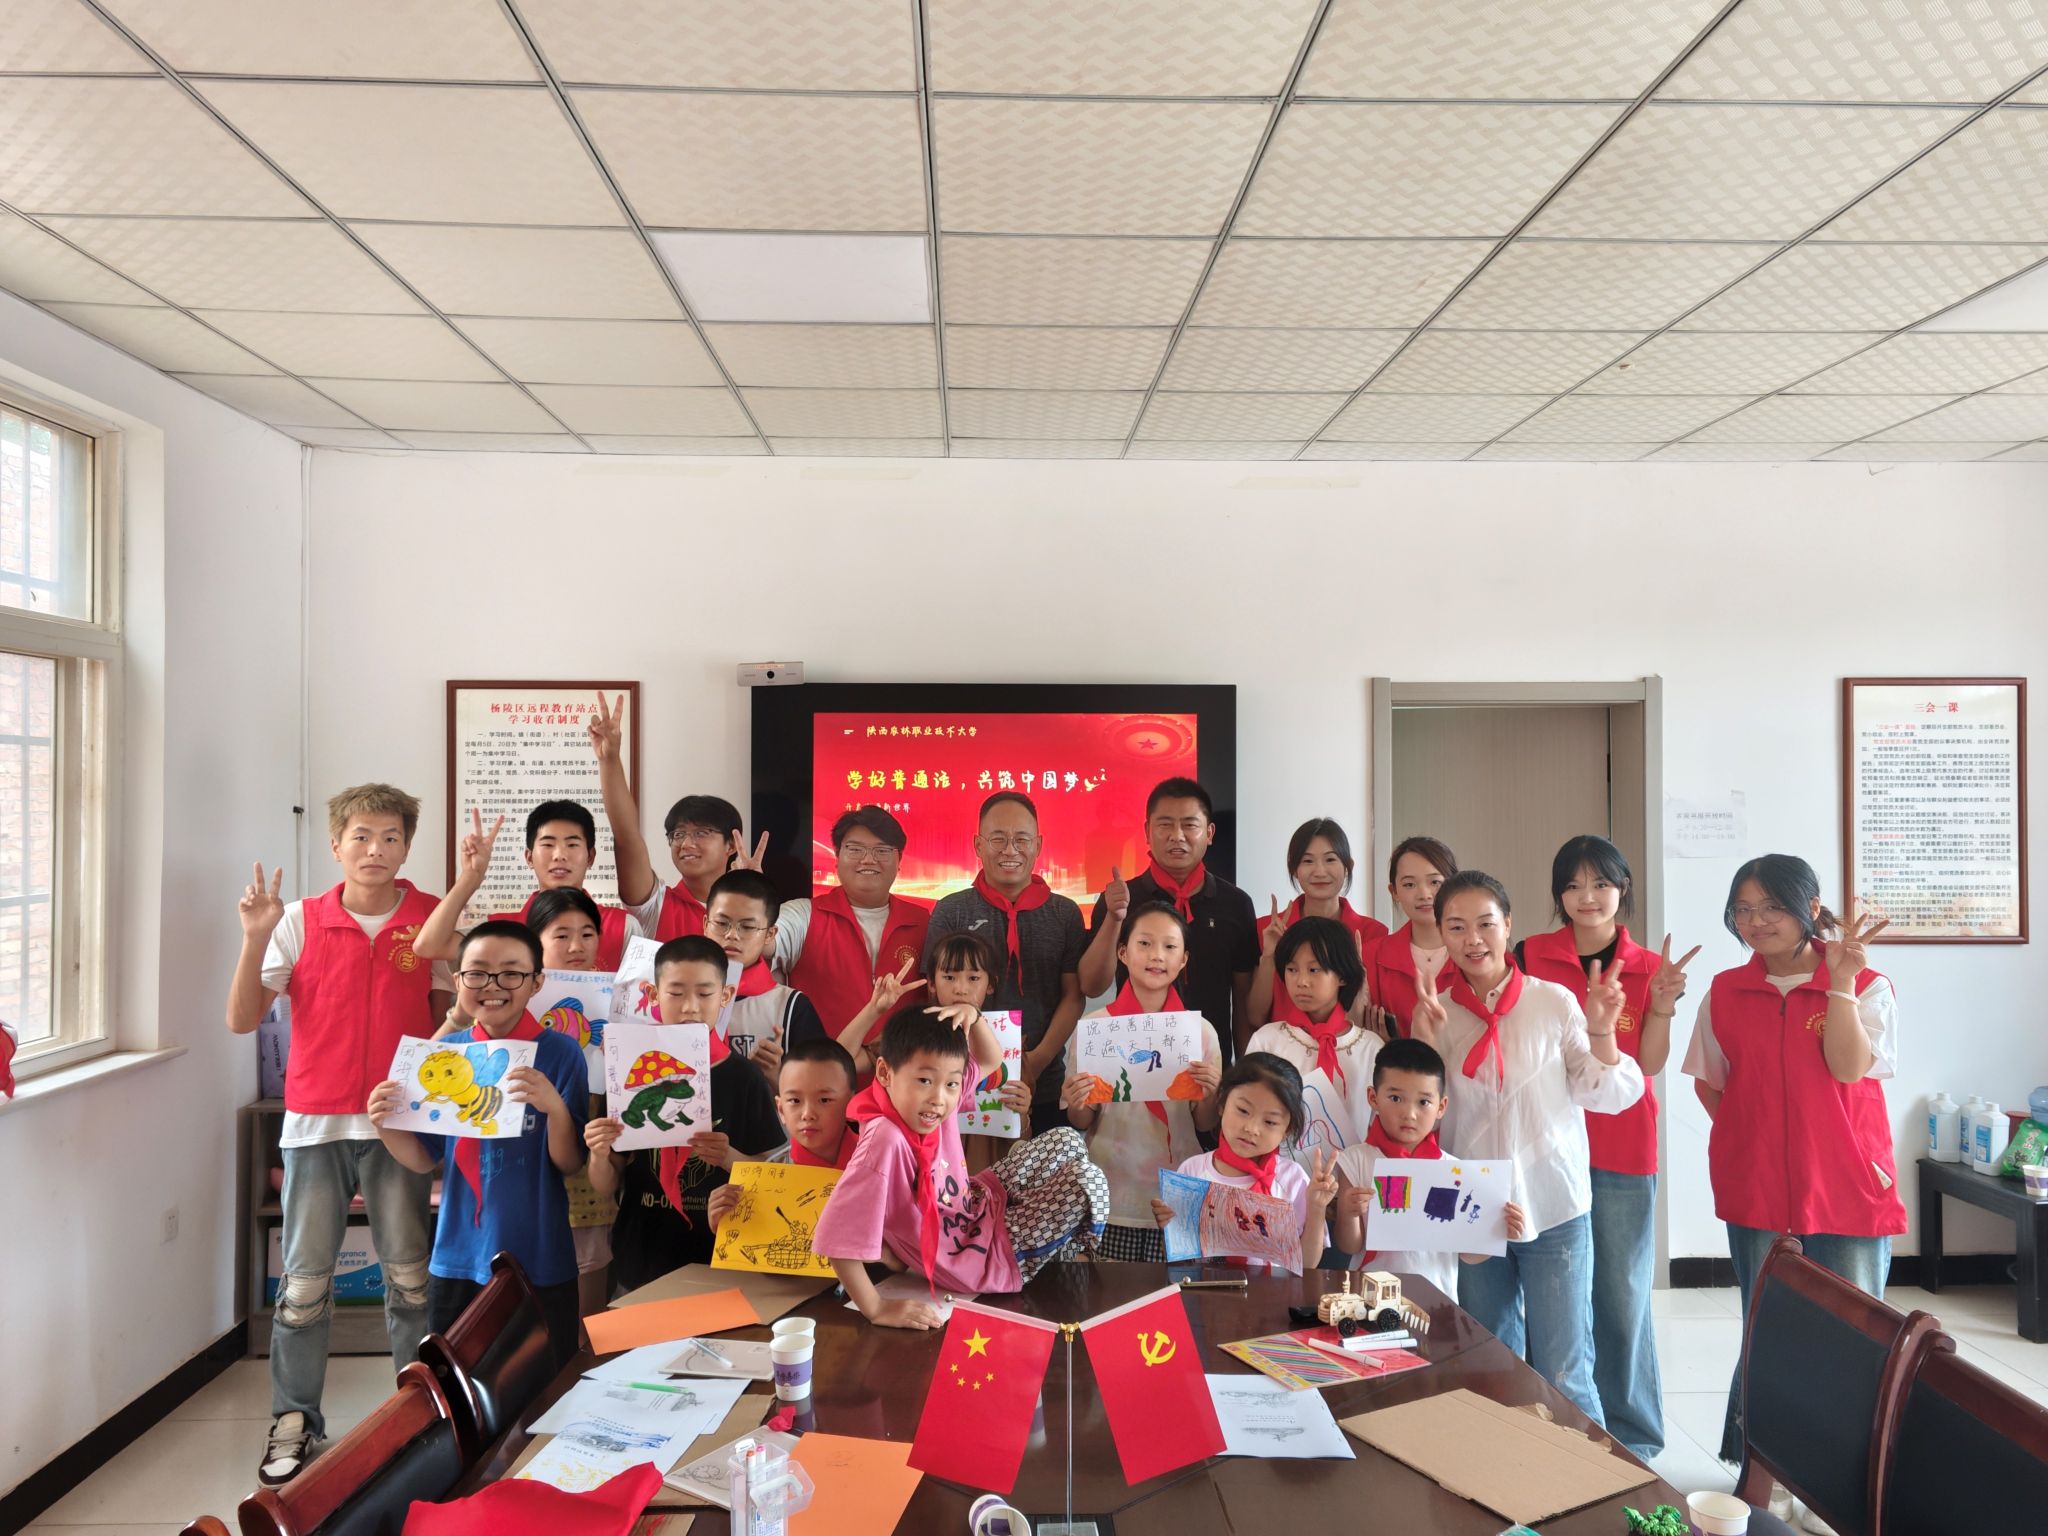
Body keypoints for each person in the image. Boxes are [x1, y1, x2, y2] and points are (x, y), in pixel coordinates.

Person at [225, 784, 450, 1487]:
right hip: (315, 1126)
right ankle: (295, 1418)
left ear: (407, 847)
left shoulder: (431, 919)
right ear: (336, 845)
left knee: (411, 1280)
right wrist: (255, 936)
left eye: (390, 837)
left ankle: (419, 1414)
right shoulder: (298, 920)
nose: (375, 849)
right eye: (361, 836)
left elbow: (449, 1021)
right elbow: (241, 1018)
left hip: (399, 1126)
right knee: (302, 1285)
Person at [1682, 854, 1900, 1467]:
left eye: (1773, 907)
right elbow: (1711, 1083)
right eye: (1743, 910)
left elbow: (1848, 1069)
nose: (1756, 921)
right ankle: (1766, 1472)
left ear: (1811, 907)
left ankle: (1844, 1477)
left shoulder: (1868, 983)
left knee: (1854, 1335)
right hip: (1757, 1189)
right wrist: (1751, 1142)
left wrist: (1839, 985)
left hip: (1847, 1185)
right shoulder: (1726, 991)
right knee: (1769, 1330)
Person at [1410, 869, 1643, 1425]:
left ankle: (1589, 1473)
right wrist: (1421, 1042)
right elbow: (1416, 1123)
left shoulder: (1553, 1002)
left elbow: (1607, 1094)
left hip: (1552, 1201)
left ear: (1508, 925)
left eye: (1485, 924)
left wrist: (1603, 1031)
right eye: (1456, 927)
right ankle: (1506, 1469)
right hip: (1471, 1209)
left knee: (1565, 1368)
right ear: (1441, 934)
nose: (1473, 940)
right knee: (1489, 1357)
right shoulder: (1438, 1014)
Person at [1515, 834, 1697, 1462]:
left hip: (1620, 1149)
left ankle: (1634, 1437)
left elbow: (1649, 1065)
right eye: (1572, 885)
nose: (1586, 897)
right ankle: (1552, 1423)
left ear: (1623, 889)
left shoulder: (1648, 968)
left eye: (1600, 884)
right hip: (1543, 1147)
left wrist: (1662, 1007)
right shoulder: (1529, 955)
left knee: (1620, 1294)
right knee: (1551, 1298)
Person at [367, 921, 588, 1368]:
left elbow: (569, 1162)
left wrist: (554, 1109)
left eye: (511, 973)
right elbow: (423, 1160)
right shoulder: (444, 1055)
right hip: (458, 1255)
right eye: (478, 972)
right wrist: (385, 1125)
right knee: (459, 1383)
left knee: (547, 1380)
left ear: (536, 982)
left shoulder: (563, 1053)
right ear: (458, 980)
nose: (493, 985)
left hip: (540, 1253)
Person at [813, 1001, 1109, 1326]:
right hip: (978, 1259)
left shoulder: (934, 1104)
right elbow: (835, 1237)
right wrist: (876, 1308)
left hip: (978, 1204)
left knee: (1067, 1140)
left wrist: (975, 1016)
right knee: (1088, 1180)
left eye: (951, 1084)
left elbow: (991, 1060)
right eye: (924, 1080)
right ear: (884, 1073)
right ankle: (1061, 1249)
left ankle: (1053, 1237)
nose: (938, 1098)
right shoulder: (884, 1138)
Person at [584, 936, 785, 1291]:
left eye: (705, 994)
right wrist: (598, 1153)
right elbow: (607, 1182)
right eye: (676, 993)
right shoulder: (627, 1067)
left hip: (722, 1263)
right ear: (653, 995)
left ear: (725, 996)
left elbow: (772, 1175)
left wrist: (729, 1157)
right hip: (641, 1258)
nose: (690, 1007)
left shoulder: (744, 1077)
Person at [1062, 901, 1221, 1261]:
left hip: (1176, 1194)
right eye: (1144, 943)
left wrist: (1211, 1093)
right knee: (1109, 1292)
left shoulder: (1201, 1033)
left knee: (1174, 1292)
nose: (1156, 955)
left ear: (1183, 959)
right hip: (1110, 1190)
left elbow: (1204, 1124)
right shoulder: (1094, 1028)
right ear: (1123, 952)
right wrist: (1075, 1101)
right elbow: (1081, 1120)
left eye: (1170, 946)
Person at [924, 791, 1087, 1136]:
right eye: (998, 839)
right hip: (962, 1083)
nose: (1010, 850)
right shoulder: (951, 911)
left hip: (1045, 1083)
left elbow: (1073, 996)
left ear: (1038, 845)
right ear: (978, 845)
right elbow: (934, 994)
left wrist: (1036, 1062)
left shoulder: (1065, 913)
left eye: (1021, 839)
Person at [1080, 777, 1259, 1059]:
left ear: (1209, 832)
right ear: (1147, 831)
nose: (1177, 836)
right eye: (1165, 825)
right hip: (1133, 1059)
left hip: (1208, 1066)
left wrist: (1245, 1072)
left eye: (1189, 825)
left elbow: (1243, 1001)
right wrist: (1114, 918)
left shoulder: (1236, 904)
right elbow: (1092, 986)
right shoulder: (1121, 899)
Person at [1332, 1038, 1529, 1293]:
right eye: (1395, 1098)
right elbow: (1349, 1246)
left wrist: (1497, 1231)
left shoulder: (1454, 1171)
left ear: (1441, 1107)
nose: (1409, 1114)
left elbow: (1468, 1255)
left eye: (1423, 1102)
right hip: (1371, 1294)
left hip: (1437, 1296)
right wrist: (1349, 1213)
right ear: (1373, 1097)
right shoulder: (1355, 1160)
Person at [1150, 1052, 1338, 1275]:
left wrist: (1316, 1208)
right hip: (1206, 1293)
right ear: (1222, 1103)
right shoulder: (1192, 1171)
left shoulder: (1292, 1179)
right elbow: (1179, 1260)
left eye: (1270, 1122)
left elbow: (1307, 1264)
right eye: (1243, 1110)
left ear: (1287, 1129)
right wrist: (1170, 1227)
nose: (1251, 1129)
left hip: (1273, 1294)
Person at [523, 886, 620, 1319]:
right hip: (526, 1173)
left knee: (587, 1317)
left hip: (592, 1173)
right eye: (561, 935)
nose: (576, 946)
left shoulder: (621, 1004)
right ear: (536, 942)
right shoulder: (512, 1002)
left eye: (587, 934)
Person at [777, 805, 932, 1035]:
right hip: (821, 1058)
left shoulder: (924, 922)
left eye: (882, 850)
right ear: (837, 857)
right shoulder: (803, 915)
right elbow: (760, 942)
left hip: (902, 1058)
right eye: (855, 849)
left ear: (899, 859)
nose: (868, 860)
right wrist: (748, 900)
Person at [1245, 916, 1382, 1168]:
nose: (1301, 981)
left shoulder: (1370, 1047)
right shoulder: (1267, 1041)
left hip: (1352, 1180)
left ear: (1342, 975)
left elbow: (1379, 1126)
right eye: (1292, 969)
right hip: (1281, 1180)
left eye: (1314, 969)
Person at [707, 1038, 864, 1233]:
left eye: (824, 1100)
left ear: (851, 1103)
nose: (807, 1114)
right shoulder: (763, 1182)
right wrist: (726, 1225)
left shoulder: (879, 1165)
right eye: (795, 1101)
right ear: (781, 1109)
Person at [1248, 818, 1390, 1029]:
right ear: (1294, 869)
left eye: (1330, 859)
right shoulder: (1266, 930)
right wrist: (1269, 956)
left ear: (1348, 867)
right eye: (1308, 861)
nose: (1320, 871)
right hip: (1283, 1046)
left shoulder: (1373, 933)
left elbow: (1374, 1014)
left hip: (1349, 1046)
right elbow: (1254, 1017)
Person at [702, 869, 828, 1086]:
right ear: (706, 924)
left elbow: (820, 1093)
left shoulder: (791, 1006)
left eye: (747, 927)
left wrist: (776, 1076)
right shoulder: (676, 997)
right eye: (722, 923)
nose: (732, 934)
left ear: (770, 934)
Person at [1364, 835, 1457, 1041]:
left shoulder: (1476, 952)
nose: (1424, 894)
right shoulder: (1371, 956)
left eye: (1435, 882)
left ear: (1453, 885)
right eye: (1409, 885)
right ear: (1394, 892)